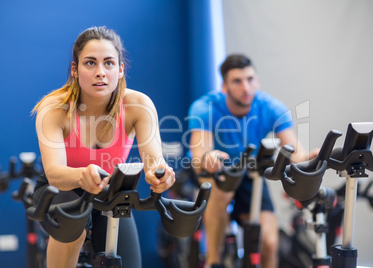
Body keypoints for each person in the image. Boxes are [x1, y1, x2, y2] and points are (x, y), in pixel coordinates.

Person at [31, 26, 175, 268]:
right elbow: (55, 173)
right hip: (59, 190)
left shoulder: (138, 105)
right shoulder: (54, 108)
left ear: (120, 70)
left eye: (108, 63)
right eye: (90, 63)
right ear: (75, 70)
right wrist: (82, 174)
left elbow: (154, 161)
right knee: (73, 229)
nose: (100, 72)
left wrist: (160, 175)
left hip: (110, 193)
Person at [188, 54, 317, 268]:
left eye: (250, 79)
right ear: (224, 86)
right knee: (222, 191)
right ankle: (213, 261)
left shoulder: (271, 107)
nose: (245, 87)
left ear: (257, 80)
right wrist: (208, 158)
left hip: (250, 174)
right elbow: (199, 155)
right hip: (215, 173)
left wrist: (311, 158)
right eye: (237, 81)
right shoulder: (205, 107)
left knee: (269, 242)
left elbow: (297, 154)